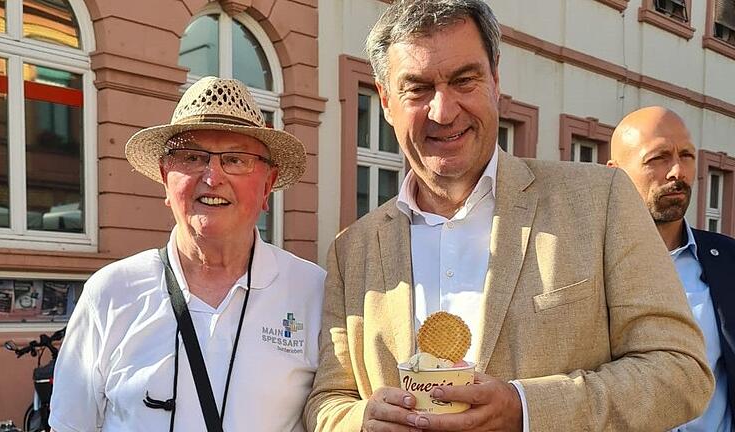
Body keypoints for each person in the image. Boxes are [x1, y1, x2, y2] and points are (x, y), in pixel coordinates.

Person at [304, 1, 713, 431]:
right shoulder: (354, 248)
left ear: (495, 79)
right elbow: (328, 401)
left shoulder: (600, 201)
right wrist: (361, 421)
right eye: (417, 89)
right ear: (385, 100)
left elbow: (681, 371)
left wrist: (526, 409)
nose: (443, 111)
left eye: (464, 80)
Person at [49, 77, 326, 432]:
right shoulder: (112, 292)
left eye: (235, 160)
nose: (212, 177)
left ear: (267, 185)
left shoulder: (312, 291)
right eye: (192, 157)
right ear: (166, 178)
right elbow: (70, 426)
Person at [608, 106, 734, 432]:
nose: (678, 171)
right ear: (614, 173)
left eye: (687, 155)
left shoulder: (729, 261)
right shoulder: (587, 265)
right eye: (658, 158)